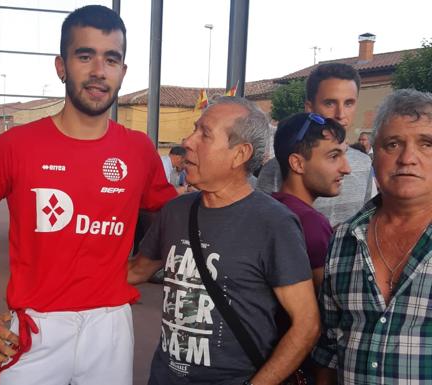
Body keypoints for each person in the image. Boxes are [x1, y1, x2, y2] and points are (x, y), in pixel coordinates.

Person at [0, 5, 177, 385]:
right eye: (85, 56)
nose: (99, 70)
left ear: (122, 71)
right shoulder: (16, 145)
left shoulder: (138, 149)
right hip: (36, 327)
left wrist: (144, 265)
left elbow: (175, 213)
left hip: (110, 326)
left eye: (111, 59)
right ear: (61, 66)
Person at [129, 97, 320, 385]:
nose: (187, 141)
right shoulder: (175, 212)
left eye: (204, 134)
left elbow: (307, 324)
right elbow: (135, 271)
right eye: (194, 130)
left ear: (239, 154)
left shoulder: (274, 223)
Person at [313, 89, 432, 384]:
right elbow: (328, 350)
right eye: (393, 144)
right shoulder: (343, 240)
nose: (407, 158)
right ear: (373, 154)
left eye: (426, 144)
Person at [257, 63, 373, 225]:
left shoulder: (364, 164)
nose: (340, 114)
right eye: (330, 103)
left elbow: (365, 221)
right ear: (309, 108)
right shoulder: (277, 167)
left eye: (349, 103)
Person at [272, 113, 351, 291]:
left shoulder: (268, 206)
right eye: (333, 156)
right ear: (297, 164)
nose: (347, 168)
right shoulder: (310, 222)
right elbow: (330, 302)